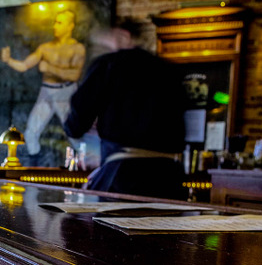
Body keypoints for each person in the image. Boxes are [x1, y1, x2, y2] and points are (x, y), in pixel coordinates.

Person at [63, 18, 187, 200]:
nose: (104, 49)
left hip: (123, 178)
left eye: (106, 43)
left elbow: (76, 124)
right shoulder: (170, 70)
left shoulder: (108, 64)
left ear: (123, 36)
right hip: (170, 178)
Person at [0, 10, 86, 163]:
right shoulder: (45, 48)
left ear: (70, 26)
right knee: (31, 132)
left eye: (60, 22)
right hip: (46, 91)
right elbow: (24, 65)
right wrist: (8, 60)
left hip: (66, 93)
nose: (55, 26)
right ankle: (34, 167)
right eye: (55, 22)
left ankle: (83, 167)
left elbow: (74, 75)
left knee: (75, 135)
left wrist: (51, 69)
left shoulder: (77, 48)